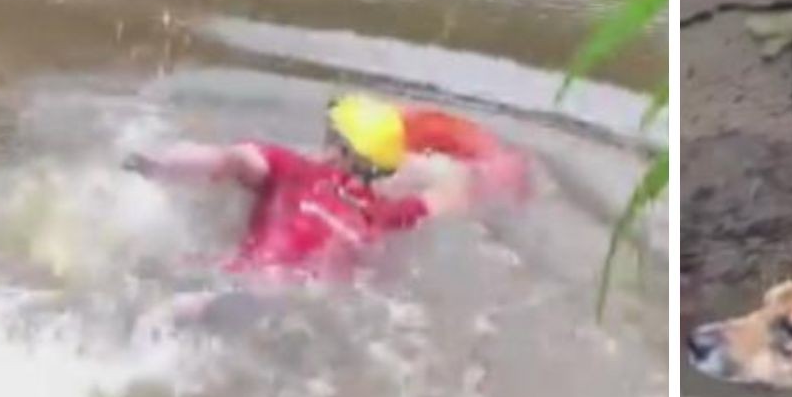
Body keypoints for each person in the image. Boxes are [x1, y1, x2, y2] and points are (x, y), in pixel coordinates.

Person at [125, 91, 531, 284]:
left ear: (337, 147)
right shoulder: (380, 216)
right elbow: (453, 195)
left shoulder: (291, 169)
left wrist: (148, 165)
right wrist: (505, 166)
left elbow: (233, 160)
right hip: (289, 298)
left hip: (235, 277)